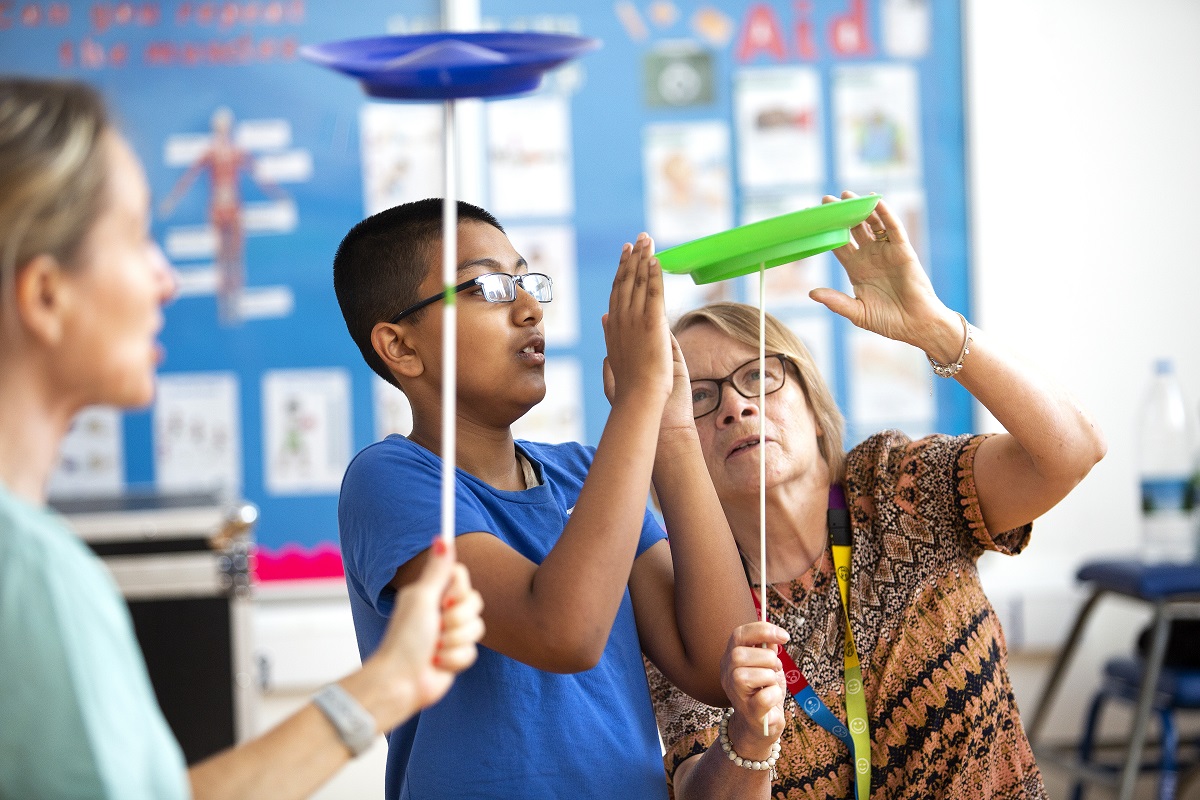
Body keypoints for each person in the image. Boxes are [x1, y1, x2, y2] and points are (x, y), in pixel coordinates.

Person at [0, 76, 484, 800]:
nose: (164, 281)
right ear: (45, 294)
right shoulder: (31, 576)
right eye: (136, 239)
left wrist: (388, 684)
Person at [646, 193, 1107, 799]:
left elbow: (1073, 452)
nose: (736, 405)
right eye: (700, 398)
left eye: (759, 375)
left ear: (812, 406)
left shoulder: (895, 485)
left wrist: (935, 327)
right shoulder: (693, 606)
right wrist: (749, 735)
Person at [332, 198, 755, 799]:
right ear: (399, 347)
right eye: (487, 287)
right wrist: (635, 398)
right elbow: (562, 631)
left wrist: (673, 427)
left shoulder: (583, 472)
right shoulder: (390, 480)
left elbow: (720, 664)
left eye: (527, 281)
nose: (529, 309)